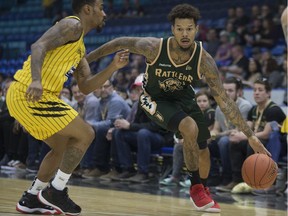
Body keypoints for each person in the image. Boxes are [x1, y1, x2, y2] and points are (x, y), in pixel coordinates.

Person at [86, 3, 270, 212]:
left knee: (204, 149)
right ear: (172, 30)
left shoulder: (204, 60)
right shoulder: (153, 47)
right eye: (180, 29)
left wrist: (251, 135)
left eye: (189, 29)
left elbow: (225, 101)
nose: (184, 34)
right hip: (154, 99)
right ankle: (195, 188)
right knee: (189, 126)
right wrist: (86, 58)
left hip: (184, 98)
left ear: (196, 30)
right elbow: (118, 42)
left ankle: (203, 189)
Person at [6, 0, 129, 215]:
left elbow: (86, 86)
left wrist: (113, 67)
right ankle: (56, 191)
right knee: (86, 133)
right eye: (101, 7)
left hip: (38, 97)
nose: (104, 12)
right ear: (88, 9)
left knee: (62, 146)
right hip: (31, 92)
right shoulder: (72, 25)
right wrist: (36, 80)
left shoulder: (79, 47)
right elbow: (38, 46)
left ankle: (33, 197)